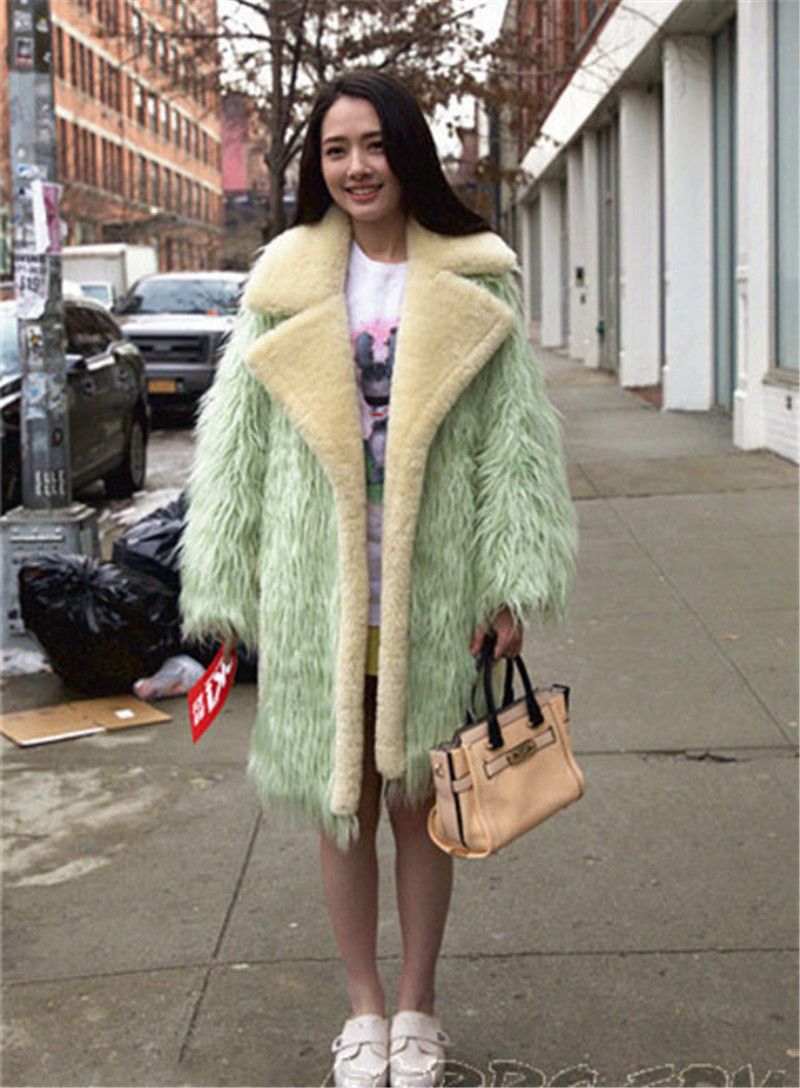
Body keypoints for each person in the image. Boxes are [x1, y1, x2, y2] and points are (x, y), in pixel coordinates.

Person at [180, 70, 577, 1088]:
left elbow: (515, 447)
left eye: (372, 145)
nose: (355, 167)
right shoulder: (281, 283)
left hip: (433, 589)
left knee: (419, 801)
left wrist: (508, 582)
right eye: (334, 150)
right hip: (317, 586)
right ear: (315, 167)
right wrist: (224, 580)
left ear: (407, 151)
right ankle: (361, 1007)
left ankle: (416, 1004)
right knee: (341, 797)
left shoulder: (475, 278)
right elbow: (234, 446)